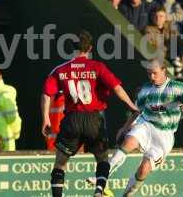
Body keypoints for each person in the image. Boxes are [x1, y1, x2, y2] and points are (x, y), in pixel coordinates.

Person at [41, 30, 139, 197]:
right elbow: (117, 88)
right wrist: (132, 106)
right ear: (90, 48)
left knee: (60, 162)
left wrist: (45, 120)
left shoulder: (61, 69)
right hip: (94, 119)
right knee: (102, 158)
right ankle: (99, 190)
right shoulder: (97, 67)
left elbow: (46, 94)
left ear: (73, 48)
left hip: (72, 119)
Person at [100, 59, 183, 196]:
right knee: (129, 141)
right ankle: (102, 177)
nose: (152, 77)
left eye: (154, 73)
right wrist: (125, 127)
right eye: (149, 74)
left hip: (164, 136)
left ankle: (127, 195)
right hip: (147, 125)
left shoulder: (176, 87)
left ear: (164, 71)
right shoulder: (145, 90)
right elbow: (137, 111)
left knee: (144, 169)